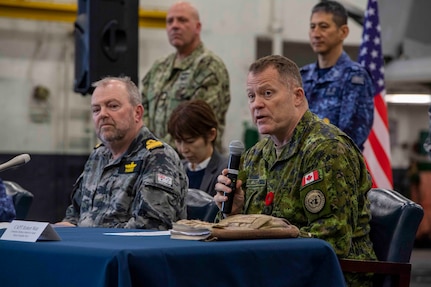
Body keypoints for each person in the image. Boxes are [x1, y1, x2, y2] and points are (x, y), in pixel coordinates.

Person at [214, 55, 376, 287]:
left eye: (267, 93)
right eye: (252, 96)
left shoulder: (327, 149)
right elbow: (234, 229)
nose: (256, 104)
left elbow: (332, 239)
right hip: (271, 269)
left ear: (297, 96)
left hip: (329, 276)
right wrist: (233, 213)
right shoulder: (255, 156)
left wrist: (268, 234)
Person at [56, 76, 188, 230]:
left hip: (127, 251)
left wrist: (90, 238)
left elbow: (150, 226)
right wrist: (62, 229)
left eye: (112, 106)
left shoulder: (158, 157)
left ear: (137, 113)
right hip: (89, 249)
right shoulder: (98, 156)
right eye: (96, 110)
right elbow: (75, 214)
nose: (102, 114)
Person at [141, 1, 230, 153]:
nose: (174, 26)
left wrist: (159, 151)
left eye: (182, 20)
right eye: (170, 21)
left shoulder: (209, 66)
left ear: (198, 27)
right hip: (155, 161)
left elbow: (198, 124)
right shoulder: (159, 66)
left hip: (194, 163)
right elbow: (142, 112)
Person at [300, 0, 374, 151]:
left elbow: (351, 135)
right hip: (301, 167)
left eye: (324, 27)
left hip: (336, 167)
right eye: (312, 27)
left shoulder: (355, 77)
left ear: (343, 32)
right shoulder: (302, 76)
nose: (316, 33)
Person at [167, 99, 228, 196]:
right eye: (178, 141)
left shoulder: (224, 172)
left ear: (211, 135)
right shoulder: (175, 169)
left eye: (190, 141)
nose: (183, 149)